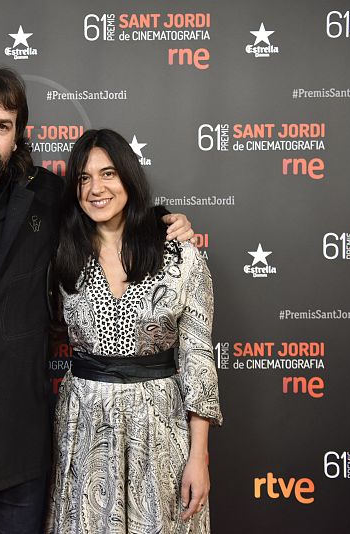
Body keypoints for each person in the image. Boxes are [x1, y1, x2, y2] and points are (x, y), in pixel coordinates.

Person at [0, 65, 195, 533]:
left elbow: (108, 216)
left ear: (18, 136)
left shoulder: (49, 197)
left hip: (20, 455)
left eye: (3, 126)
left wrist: (162, 223)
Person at [46, 128, 222, 533]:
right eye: (84, 178)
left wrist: (199, 456)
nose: (95, 189)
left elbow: (197, 357)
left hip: (160, 428)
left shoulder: (178, 251)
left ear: (129, 177)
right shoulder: (62, 252)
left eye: (108, 174)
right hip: (84, 425)